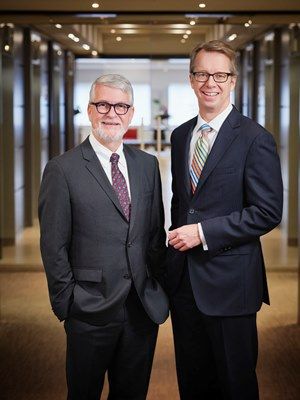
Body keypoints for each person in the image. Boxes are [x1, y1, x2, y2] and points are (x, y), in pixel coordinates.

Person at [39, 74, 168, 400]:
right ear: (90, 109)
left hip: (140, 309)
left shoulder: (147, 165)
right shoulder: (62, 169)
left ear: (131, 112)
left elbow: (155, 234)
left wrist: (157, 288)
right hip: (88, 309)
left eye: (121, 106)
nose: (112, 113)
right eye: (103, 104)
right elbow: (54, 245)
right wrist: (67, 302)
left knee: (132, 394)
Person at [167, 40, 283, 400]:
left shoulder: (255, 138)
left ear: (233, 81)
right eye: (202, 73)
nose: (210, 82)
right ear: (191, 79)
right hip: (185, 285)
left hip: (231, 286)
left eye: (219, 74)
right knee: (193, 382)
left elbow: (267, 212)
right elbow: (182, 204)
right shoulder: (180, 135)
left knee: (235, 384)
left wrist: (202, 232)